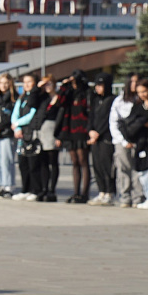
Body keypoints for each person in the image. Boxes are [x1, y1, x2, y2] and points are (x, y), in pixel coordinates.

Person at [119, 75, 148, 210]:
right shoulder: (138, 105)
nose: (142, 95)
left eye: (144, 91)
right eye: (139, 92)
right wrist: (142, 122)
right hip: (142, 140)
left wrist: (141, 121)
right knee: (143, 170)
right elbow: (132, 120)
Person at [52, 71, 92, 204]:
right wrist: (64, 86)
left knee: (83, 161)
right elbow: (59, 102)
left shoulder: (86, 92)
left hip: (82, 129)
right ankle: (76, 192)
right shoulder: (68, 92)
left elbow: (89, 109)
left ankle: (84, 193)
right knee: (74, 162)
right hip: (69, 129)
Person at [11, 73, 50, 202]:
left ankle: (36, 189)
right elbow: (15, 114)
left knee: (33, 163)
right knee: (23, 164)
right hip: (21, 133)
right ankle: (25, 189)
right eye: (24, 82)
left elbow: (32, 113)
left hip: (31, 132)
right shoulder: (21, 98)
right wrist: (16, 127)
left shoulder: (37, 97)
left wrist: (18, 123)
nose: (26, 85)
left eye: (30, 82)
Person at [111, 75, 143, 209]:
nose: (134, 84)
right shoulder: (119, 100)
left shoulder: (142, 100)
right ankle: (125, 196)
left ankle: (139, 197)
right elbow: (113, 122)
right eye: (132, 82)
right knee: (123, 168)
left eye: (137, 82)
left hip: (138, 139)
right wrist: (123, 141)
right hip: (121, 140)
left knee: (138, 169)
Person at [0, 72, 20, 199]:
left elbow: (13, 116)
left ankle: (8, 186)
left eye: (6, 83)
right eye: (1, 83)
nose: (4, 85)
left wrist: (1, 128)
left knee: (6, 161)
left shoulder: (14, 99)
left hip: (7, 134)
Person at [88, 74, 117, 205]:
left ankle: (109, 193)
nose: (98, 88)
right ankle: (101, 191)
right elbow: (91, 117)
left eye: (101, 85)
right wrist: (91, 131)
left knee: (107, 166)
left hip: (106, 137)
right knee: (97, 165)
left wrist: (98, 133)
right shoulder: (95, 100)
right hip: (95, 138)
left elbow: (109, 120)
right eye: (97, 85)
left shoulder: (112, 100)